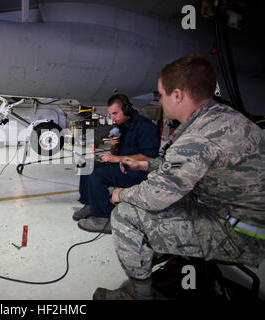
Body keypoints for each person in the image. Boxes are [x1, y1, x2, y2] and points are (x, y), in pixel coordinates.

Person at [93, 54, 265, 300]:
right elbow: (182, 167)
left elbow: (155, 197)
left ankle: (136, 294)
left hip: (239, 235)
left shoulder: (198, 137)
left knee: (126, 214)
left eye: (162, 94)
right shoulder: (221, 119)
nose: (160, 100)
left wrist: (120, 194)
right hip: (240, 218)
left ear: (177, 95)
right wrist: (145, 165)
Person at [74, 94, 160, 234]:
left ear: (126, 109)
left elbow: (149, 157)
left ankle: (103, 218)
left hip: (136, 172)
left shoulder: (147, 127)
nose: (112, 118)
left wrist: (116, 158)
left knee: (96, 175)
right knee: (86, 164)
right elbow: (117, 152)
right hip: (121, 165)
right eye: (110, 114)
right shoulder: (123, 126)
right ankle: (90, 203)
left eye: (115, 113)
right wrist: (114, 146)